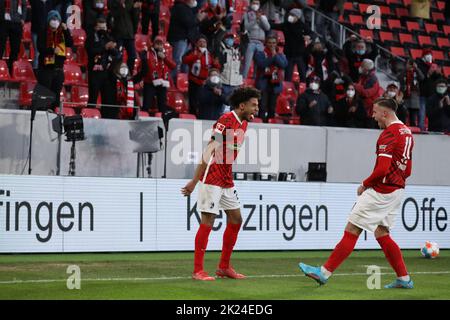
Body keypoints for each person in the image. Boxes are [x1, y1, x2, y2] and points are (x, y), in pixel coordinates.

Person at [299, 98, 415, 289]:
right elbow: (408, 169)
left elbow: (381, 170)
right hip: (397, 190)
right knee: (382, 232)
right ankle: (404, 278)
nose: (372, 115)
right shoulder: (407, 132)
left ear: (385, 113)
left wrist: (364, 184)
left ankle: (324, 272)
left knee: (353, 229)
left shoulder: (389, 134)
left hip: (382, 191)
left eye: (375, 111)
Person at [181, 86, 261, 281]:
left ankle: (224, 266)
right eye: (253, 105)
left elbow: (230, 153)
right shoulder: (225, 121)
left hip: (226, 177)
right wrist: (194, 180)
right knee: (208, 221)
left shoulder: (244, 124)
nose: (256, 109)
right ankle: (198, 270)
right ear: (242, 106)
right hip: (212, 176)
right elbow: (210, 150)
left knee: (236, 219)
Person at [37, 10, 73, 109]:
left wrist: (66, 30)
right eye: (53, 19)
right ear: (48, 20)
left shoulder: (62, 33)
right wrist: (52, 50)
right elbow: (40, 48)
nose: (55, 21)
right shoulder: (43, 32)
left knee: (55, 97)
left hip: (58, 70)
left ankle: (53, 114)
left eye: (57, 19)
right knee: (44, 96)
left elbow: (70, 43)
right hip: (46, 70)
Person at [85, 17, 120, 112]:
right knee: (93, 98)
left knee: (107, 99)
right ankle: (90, 115)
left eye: (104, 28)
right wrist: (105, 47)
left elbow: (117, 54)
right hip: (94, 72)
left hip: (106, 73)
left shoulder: (108, 37)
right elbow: (91, 51)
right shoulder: (91, 38)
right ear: (96, 28)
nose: (103, 30)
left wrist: (113, 48)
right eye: (100, 28)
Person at [182, 34, 220, 115]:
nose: (202, 44)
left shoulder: (209, 54)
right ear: (196, 43)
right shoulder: (192, 51)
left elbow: (216, 66)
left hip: (205, 82)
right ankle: (192, 116)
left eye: (204, 42)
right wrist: (195, 56)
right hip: (193, 80)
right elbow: (185, 60)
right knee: (193, 101)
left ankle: (201, 115)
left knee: (202, 101)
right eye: (200, 42)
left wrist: (216, 64)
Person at [270, 8, 310, 82]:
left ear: (297, 17)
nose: (290, 16)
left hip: (300, 55)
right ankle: (287, 90)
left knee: (303, 76)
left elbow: (311, 33)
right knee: (288, 76)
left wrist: (308, 36)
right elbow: (274, 26)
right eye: (290, 14)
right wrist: (264, 21)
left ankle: (303, 90)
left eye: (292, 15)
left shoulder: (303, 26)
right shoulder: (286, 25)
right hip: (289, 55)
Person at [254, 34, 287, 121]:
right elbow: (262, 64)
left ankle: (271, 125)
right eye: (269, 43)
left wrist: (275, 55)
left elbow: (283, 65)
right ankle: (261, 126)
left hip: (275, 84)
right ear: (266, 43)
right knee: (262, 107)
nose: (272, 45)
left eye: (274, 43)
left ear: (276, 44)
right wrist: (273, 57)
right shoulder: (260, 53)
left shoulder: (280, 54)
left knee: (272, 107)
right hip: (263, 83)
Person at [139, 35, 176, 113]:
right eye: (157, 43)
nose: (159, 45)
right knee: (146, 105)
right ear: (153, 44)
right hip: (149, 82)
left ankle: (163, 123)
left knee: (162, 107)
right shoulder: (148, 53)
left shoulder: (166, 54)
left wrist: (164, 58)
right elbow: (143, 67)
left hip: (162, 83)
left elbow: (173, 66)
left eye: (161, 44)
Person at [168, 0, 201, 81]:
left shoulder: (186, 8)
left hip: (185, 39)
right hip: (179, 39)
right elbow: (188, 22)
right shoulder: (180, 7)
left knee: (185, 62)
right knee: (177, 61)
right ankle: (173, 82)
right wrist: (198, 19)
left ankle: (183, 81)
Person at [108, 0, 141, 74]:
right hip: (118, 34)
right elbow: (113, 14)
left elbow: (135, 19)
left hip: (129, 34)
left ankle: (128, 74)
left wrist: (136, 9)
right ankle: (116, 75)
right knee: (118, 56)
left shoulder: (130, 2)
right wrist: (122, 7)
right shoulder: (112, 2)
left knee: (132, 56)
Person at [241, 0, 270, 79]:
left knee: (259, 64)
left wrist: (261, 18)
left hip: (260, 43)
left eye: (257, 3)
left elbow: (267, 28)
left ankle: (255, 81)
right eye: (254, 3)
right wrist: (255, 20)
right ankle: (243, 80)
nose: (255, 5)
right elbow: (246, 27)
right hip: (250, 42)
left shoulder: (263, 15)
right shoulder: (246, 14)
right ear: (250, 4)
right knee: (247, 64)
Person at [353, 58, 383, 127]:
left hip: (370, 111)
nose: (360, 68)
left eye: (362, 66)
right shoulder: (363, 77)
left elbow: (367, 93)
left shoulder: (373, 80)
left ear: (367, 68)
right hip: (363, 109)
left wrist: (357, 87)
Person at [0, 0, 27, 73]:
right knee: (1, 47)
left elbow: (24, 5)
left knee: (15, 49)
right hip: (3, 22)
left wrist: (23, 19)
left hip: (17, 23)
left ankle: (12, 71)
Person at [215, 33, 243, 100]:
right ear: (224, 39)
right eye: (228, 38)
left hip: (236, 83)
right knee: (223, 107)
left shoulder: (238, 50)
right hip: (223, 82)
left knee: (234, 106)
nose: (230, 40)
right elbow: (217, 41)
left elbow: (246, 42)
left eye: (232, 38)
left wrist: (243, 32)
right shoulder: (221, 50)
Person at [30, 0, 55, 71]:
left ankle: (48, 70)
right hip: (36, 31)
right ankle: (36, 71)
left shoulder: (50, 2)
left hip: (47, 32)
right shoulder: (35, 2)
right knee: (37, 52)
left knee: (49, 51)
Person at [399, 59, 424, 127]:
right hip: (405, 96)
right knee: (403, 116)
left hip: (414, 98)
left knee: (413, 118)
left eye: (411, 64)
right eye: (409, 64)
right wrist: (405, 69)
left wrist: (416, 68)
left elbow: (422, 77)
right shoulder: (404, 72)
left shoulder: (416, 72)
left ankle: (413, 130)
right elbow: (399, 77)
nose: (410, 66)